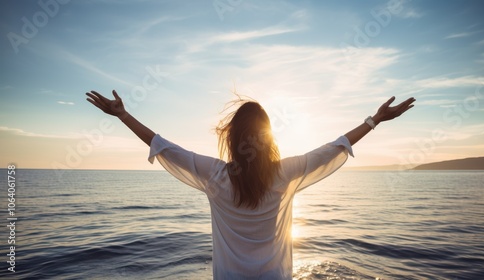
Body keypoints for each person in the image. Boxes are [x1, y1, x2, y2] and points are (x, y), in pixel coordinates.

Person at [86, 90, 415, 279]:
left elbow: (162, 145)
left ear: (231, 138)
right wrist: (375, 120)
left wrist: (123, 116)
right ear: (268, 138)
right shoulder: (285, 173)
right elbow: (337, 146)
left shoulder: (213, 175)